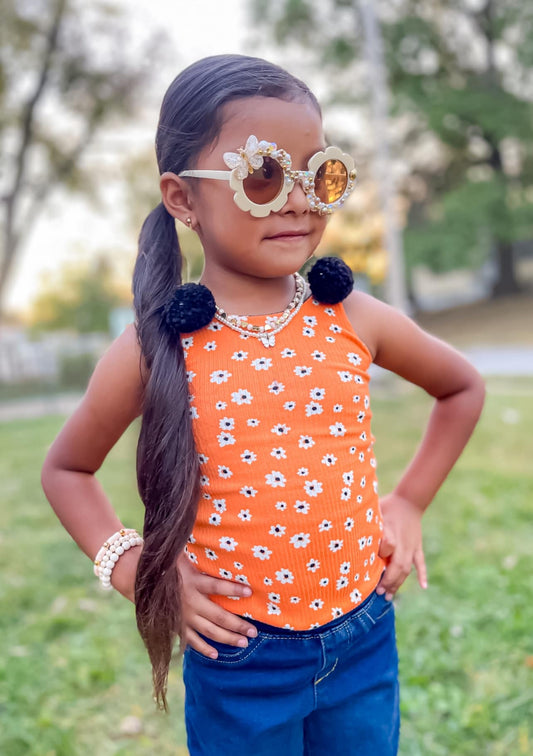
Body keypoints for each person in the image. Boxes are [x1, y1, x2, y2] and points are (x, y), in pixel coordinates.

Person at [41, 54, 485, 755]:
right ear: (182, 198)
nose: (299, 199)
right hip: (240, 658)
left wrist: (407, 502)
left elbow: (460, 386)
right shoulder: (157, 347)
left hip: (364, 635)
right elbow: (66, 469)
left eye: (319, 173)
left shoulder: (352, 317)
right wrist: (134, 570)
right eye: (263, 175)